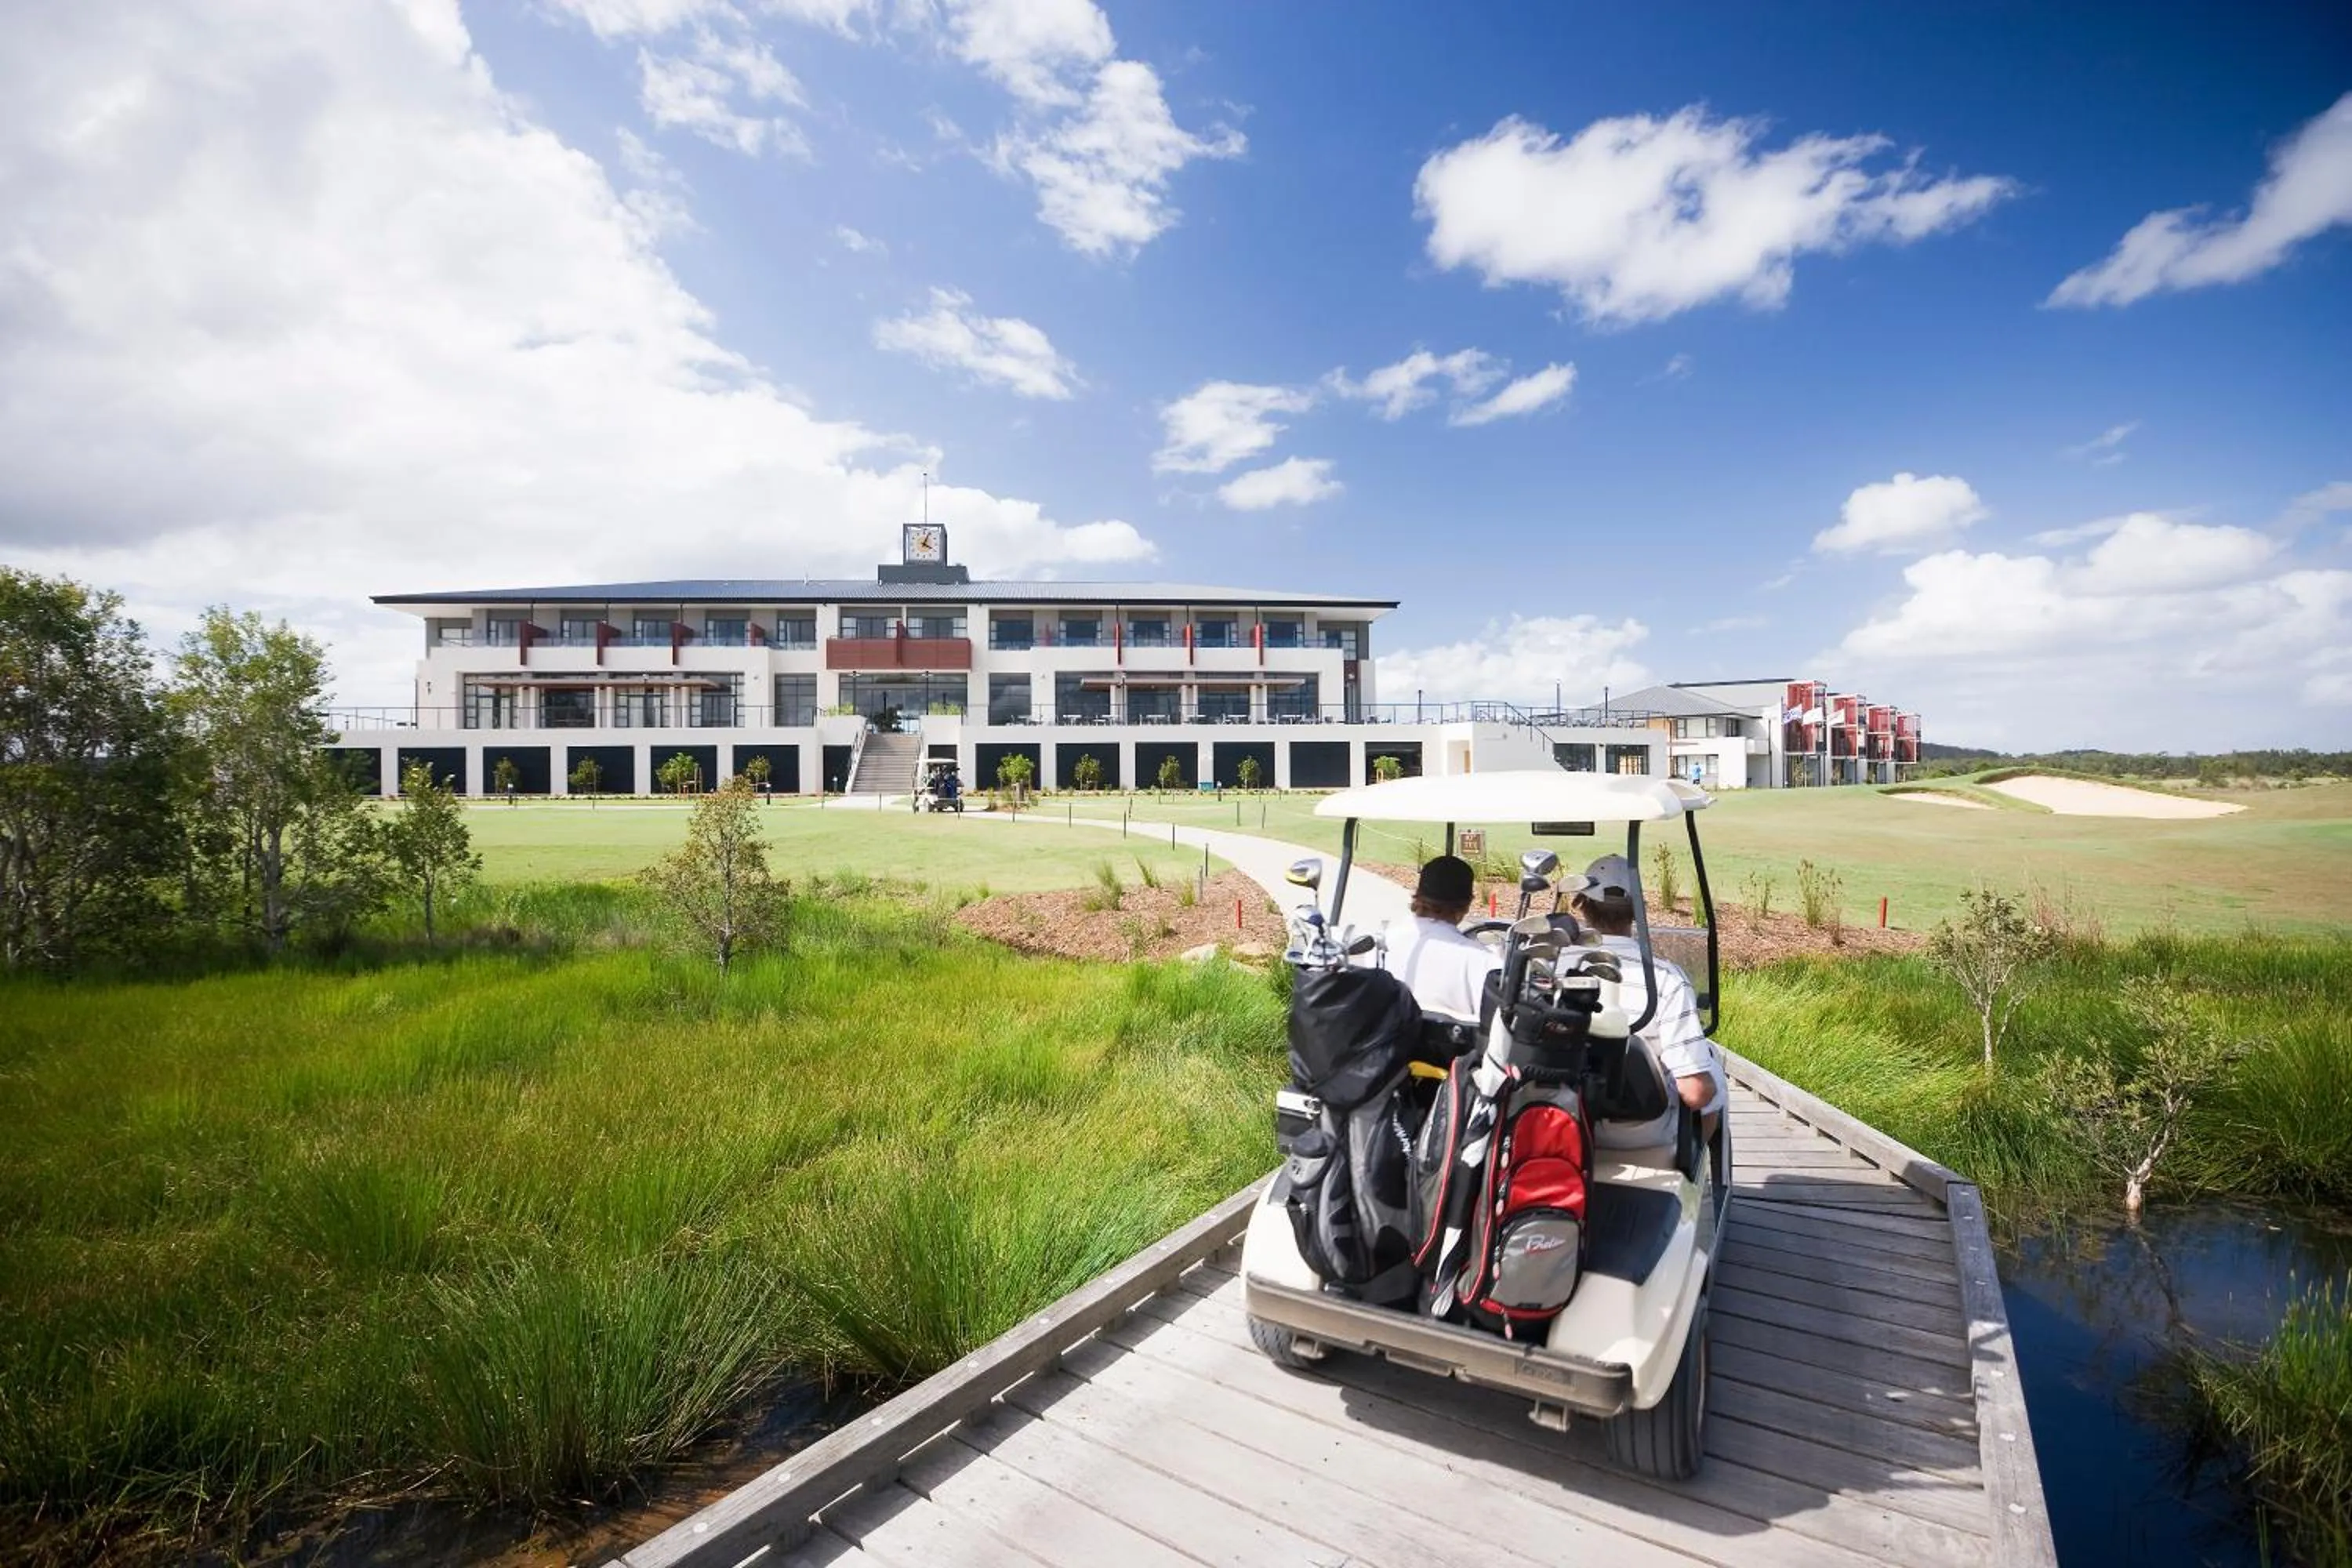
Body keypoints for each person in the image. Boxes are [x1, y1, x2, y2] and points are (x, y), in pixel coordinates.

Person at [1570, 854, 1726, 1135]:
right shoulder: (1667, 979)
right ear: (1637, 910)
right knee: (1711, 1076)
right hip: (1643, 1133)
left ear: (1581, 904)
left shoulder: (1553, 964)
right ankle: (1695, 1173)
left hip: (1565, 1121)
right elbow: (1695, 1093)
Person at [1373, 854, 1500, 1022]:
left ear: (1417, 895)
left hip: (1387, 1042)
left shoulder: (1379, 945)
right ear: (1467, 904)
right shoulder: (1484, 962)